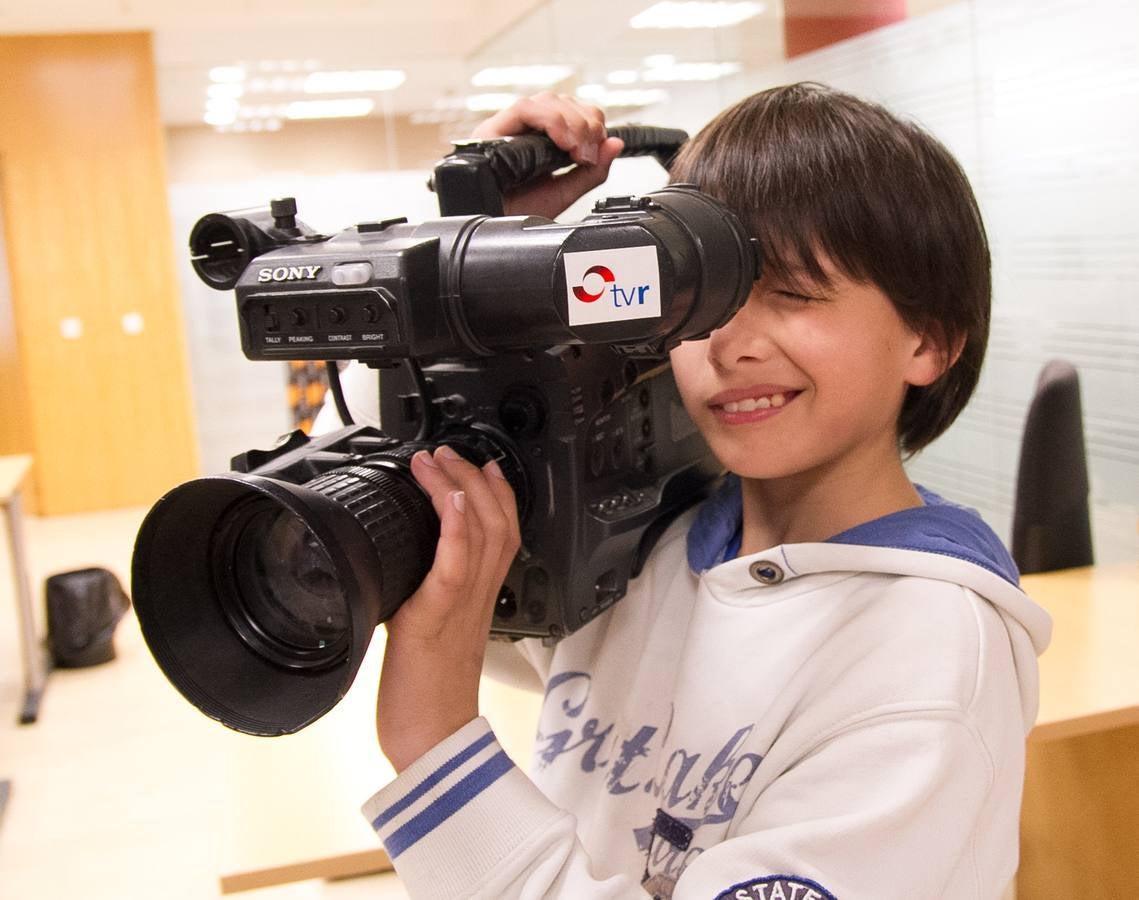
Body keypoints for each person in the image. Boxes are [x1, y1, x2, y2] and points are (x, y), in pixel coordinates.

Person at [354, 84, 1052, 899]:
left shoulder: (926, 655)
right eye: (699, 301)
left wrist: (433, 741)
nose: (729, 345)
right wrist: (492, 243)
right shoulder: (658, 545)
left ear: (927, 340)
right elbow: (482, 609)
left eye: (793, 294)